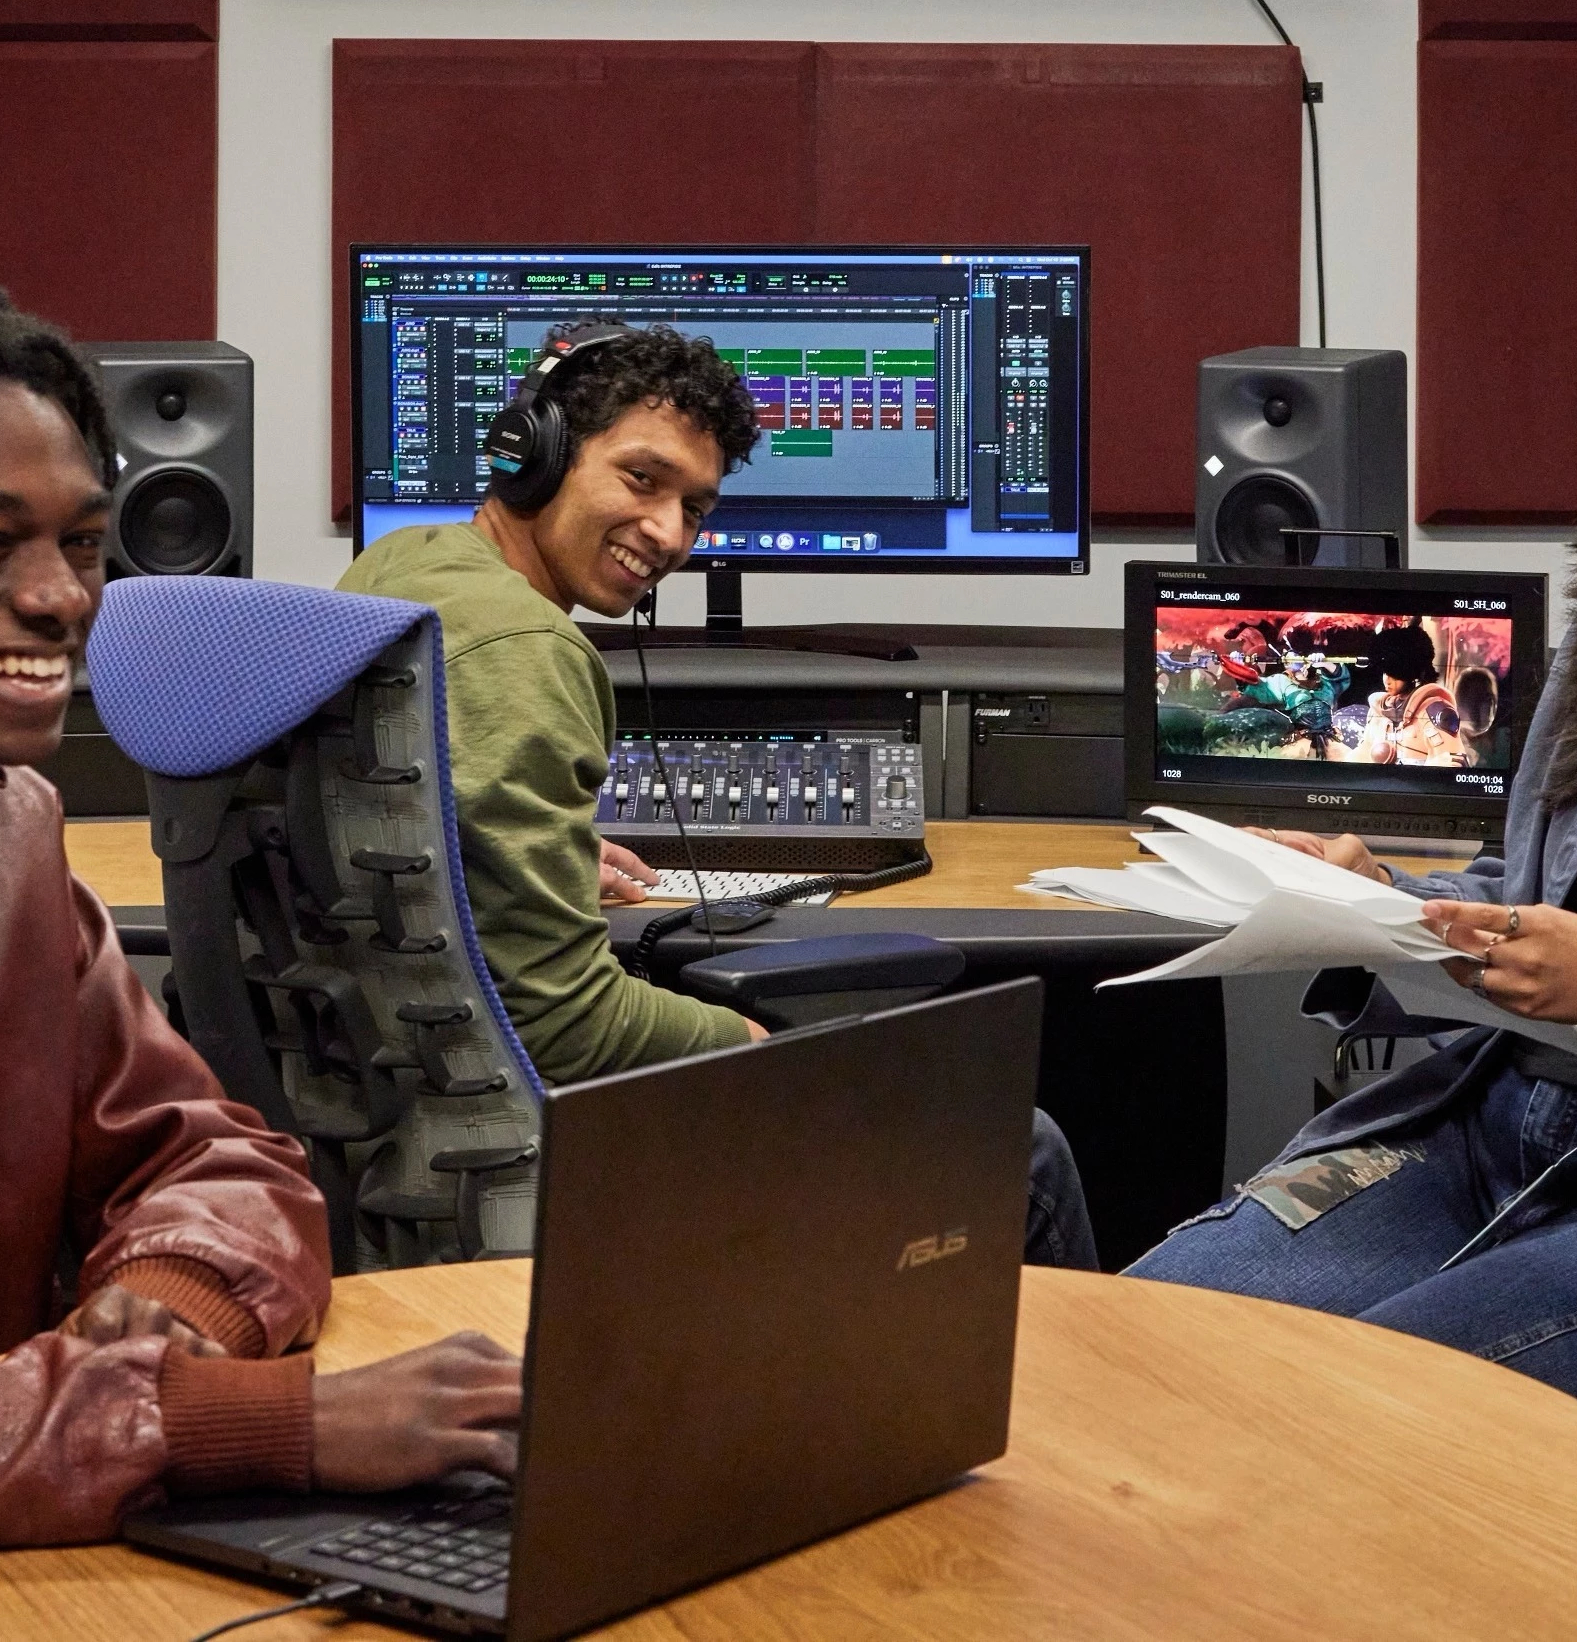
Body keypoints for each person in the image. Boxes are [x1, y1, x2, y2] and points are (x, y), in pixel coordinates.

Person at [1124, 211, 1577, 1598]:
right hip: (1492, 1129)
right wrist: (1394, 910)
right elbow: (1530, 895)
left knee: (1323, 1438)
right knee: (1136, 1367)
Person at [0, 275, 521, 1553]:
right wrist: (232, 1421)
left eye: (82, 543)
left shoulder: (12, 835)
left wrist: (174, 1293)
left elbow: (214, 1156)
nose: (62, 596)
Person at [340, 320, 1097, 1269]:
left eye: (695, 507)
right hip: (505, 1160)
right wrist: (751, 1040)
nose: (667, 533)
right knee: (1012, 1149)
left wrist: (524, 855)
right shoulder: (529, 650)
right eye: (641, 478)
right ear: (531, 455)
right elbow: (563, 1025)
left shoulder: (402, 566)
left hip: (384, 1127)